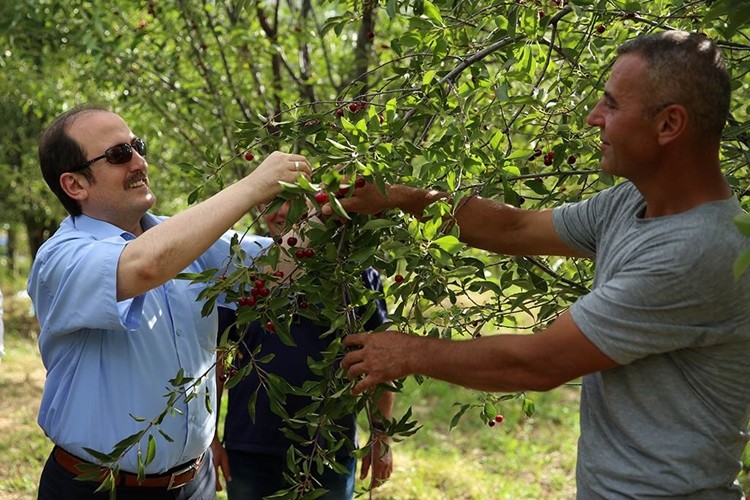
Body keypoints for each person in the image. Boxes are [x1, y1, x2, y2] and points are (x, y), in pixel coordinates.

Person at [330, 31, 750, 499]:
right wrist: (402, 198)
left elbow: (537, 364)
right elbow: (512, 228)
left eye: (611, 105)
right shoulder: (632, 202)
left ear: (669, 124)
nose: (594, 118)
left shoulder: (698, 251)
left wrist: (405, 352)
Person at [28, 104, 312, 500]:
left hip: (194, 484)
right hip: (97, 489)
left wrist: (345, 204)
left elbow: (286, 265)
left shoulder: (186, 243)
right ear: (75, 185)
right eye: (118, 155)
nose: (139, 162)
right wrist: (254, 185)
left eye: (137, 146)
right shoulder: (62, 258)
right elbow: (145, 266)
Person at [212, 200, 394, 499]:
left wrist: (381, 434)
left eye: (294, 201)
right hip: (250, 449)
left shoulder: (352, 273)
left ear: (317, 204)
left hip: (330, 447)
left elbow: (380, 359)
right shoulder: (243, 272)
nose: (282, 212)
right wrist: (211, 439)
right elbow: (218, 358)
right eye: (271, 202)